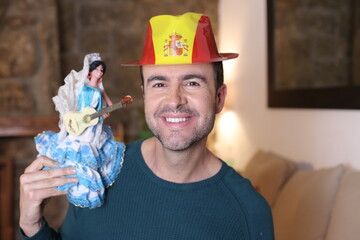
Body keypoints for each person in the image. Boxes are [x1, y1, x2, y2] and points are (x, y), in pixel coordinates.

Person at [19, 12, 274, 239]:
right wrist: (32, 226)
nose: (174, 100)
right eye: (159, 84)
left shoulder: (249, 212)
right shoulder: (100, 168)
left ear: (218, 98)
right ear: (144, 94)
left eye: (193, 83)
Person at [33, 53, 125, 209]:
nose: (100, 73)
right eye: (98, 70)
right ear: (91, 71)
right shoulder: (84, 88)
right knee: (78, 144)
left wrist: (107, 110)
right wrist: (84, 115)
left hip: (95, 123)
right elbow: (82, 105)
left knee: (92, 143)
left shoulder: (100, 90)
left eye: (102, 71)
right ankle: (77, 175)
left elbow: (108, 105)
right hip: (82, 121)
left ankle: (88, 176)